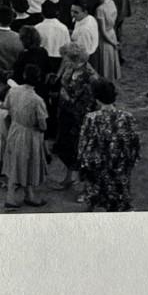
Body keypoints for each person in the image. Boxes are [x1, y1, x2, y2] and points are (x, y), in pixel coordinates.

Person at [77, 78, 141, 211]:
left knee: (94, 200)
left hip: (97, 168)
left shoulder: (91, 118)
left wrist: (83, 166)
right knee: (117, 202)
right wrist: (129, 164)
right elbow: (134, 144)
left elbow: (83, 145)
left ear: (96, 98)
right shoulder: (127, 117)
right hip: (119, 167)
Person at [51, 42, 100, 192]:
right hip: (66, 115)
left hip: (80, 119)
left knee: (82, 152)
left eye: (65, 58)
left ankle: (86, 188)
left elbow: (88, 102)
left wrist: (67, 97)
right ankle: (69, 178)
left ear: (75, 58)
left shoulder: (90, 76)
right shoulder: (70, 68)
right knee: (68, 150)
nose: (63, 61)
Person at [2, 64, 49, 209]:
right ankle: (13, 198)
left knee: (15, 162)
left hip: (15, 129)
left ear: (24, 75)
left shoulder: (13, 91)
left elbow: (6, 106)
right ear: (38, 79)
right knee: (29, 163)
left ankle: (26, 195)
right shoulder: (37, 100)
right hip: (30, 134)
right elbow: (42, 125)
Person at [91, 0, 121, 82]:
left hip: (105, 39)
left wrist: (113, 43)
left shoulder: (100, 9)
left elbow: (103, 31)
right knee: (110, 63)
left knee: (103, 65)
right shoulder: (111, 2)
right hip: (112, 33)